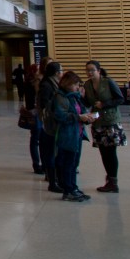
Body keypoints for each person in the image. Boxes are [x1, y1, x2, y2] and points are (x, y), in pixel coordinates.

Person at [51, 70, 95, 201]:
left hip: (77, 133)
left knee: (74, 162)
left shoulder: (74, 96)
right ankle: (68, 190)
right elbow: (60, 115)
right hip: (67, 134)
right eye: (75, 84)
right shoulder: (60, 97)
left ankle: (73, 187)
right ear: (68, 84)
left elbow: (82, 110)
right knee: (68, 163)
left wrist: (86, 117)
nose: (78, 87)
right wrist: (78, 117)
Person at [84, 60, 126, 193]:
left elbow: (120, 99)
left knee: (111, 152)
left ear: (98, 70)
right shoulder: (87, 85)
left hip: (111, 121)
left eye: (92, 70)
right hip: (97, 122)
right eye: (88, 70)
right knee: (103, 152)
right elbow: (88, 102)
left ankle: (113, 181)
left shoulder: (108, 82)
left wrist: (105, 104)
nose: (90, 72)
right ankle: (109, 180)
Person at [36, 60, 62, 193]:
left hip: (52, 122)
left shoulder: (52, 83)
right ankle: (52, 179)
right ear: (57, 73)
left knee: (53, 151)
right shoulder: (47, 85)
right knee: (51, 152)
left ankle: (55, 177)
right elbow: (45, 104)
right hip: (50, 124)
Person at [22, 63, 44, 175]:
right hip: (36, 113)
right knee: (36, 139)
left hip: (34, 112)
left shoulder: (28, 82)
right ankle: (37, 164)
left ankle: (37, 164)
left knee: (35, 139)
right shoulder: (33, 83)